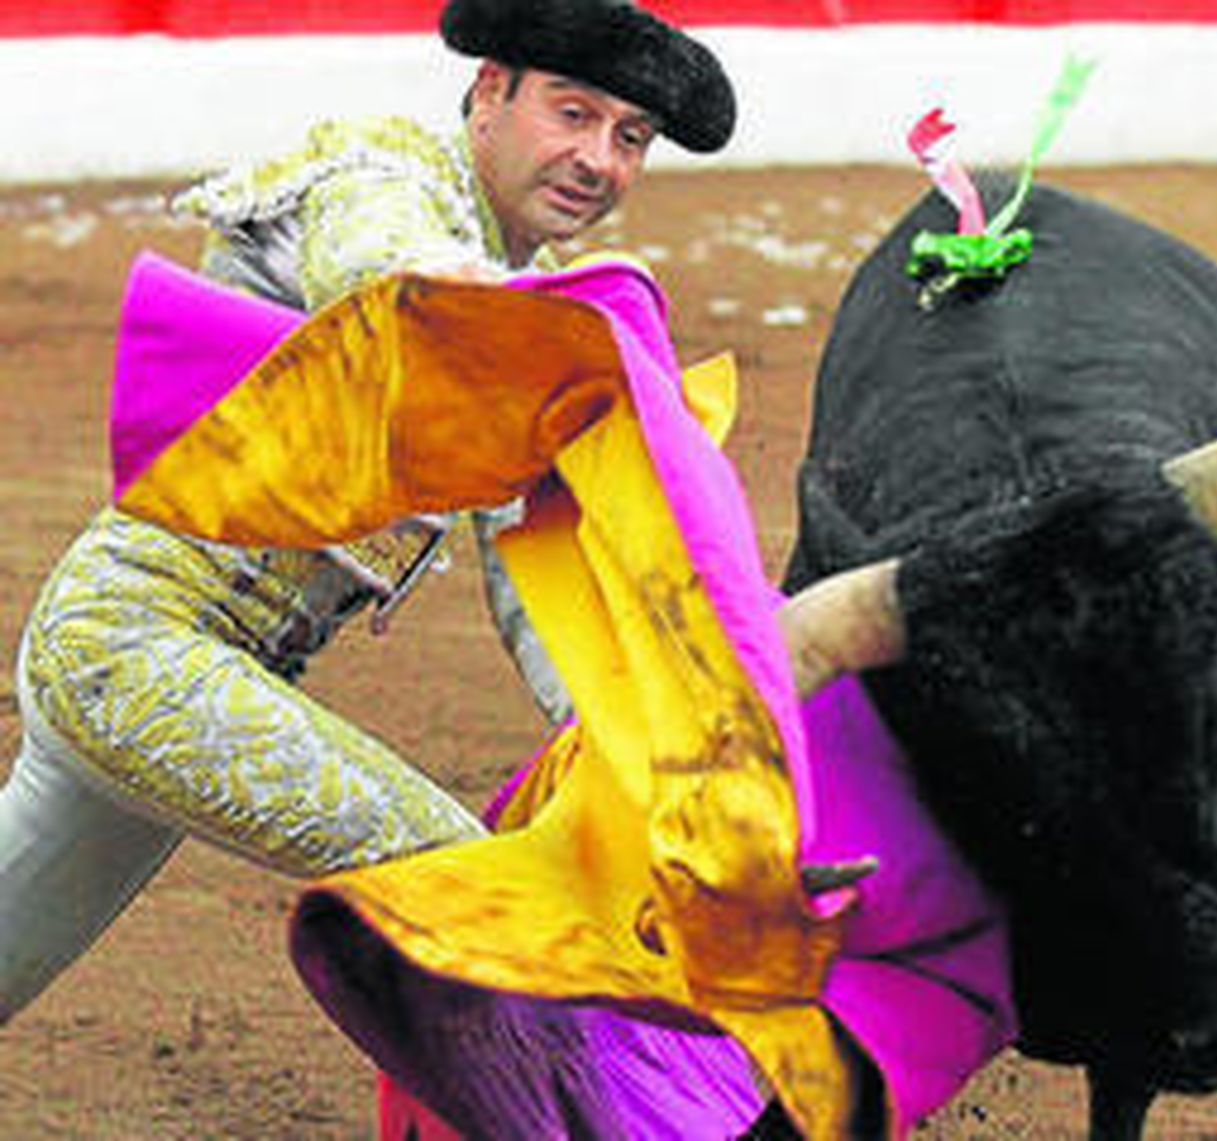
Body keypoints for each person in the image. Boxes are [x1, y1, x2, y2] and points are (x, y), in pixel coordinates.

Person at [0, 0, 735, 1025]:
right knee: (474, 890)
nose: (598, 160)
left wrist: (627, 745)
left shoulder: (538, 311)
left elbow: (535, 569)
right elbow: (379, 266)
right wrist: (513, 317)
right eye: (572, 114)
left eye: (630, 139)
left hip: (199, 672)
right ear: (490, 92)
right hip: (136, 648)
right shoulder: (386, 168)